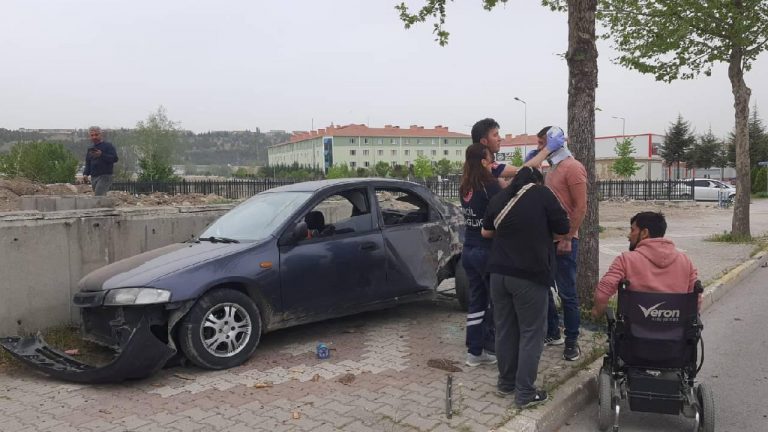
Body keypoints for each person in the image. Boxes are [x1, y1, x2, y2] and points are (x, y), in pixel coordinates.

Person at [481, 166, 570, 408]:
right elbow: (563, 229)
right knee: (532, 332)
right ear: (537, 181)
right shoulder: (543, 194)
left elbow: (486, 231)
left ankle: (506, 383)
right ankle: (525, 393)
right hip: (529, 274)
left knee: (505, 330)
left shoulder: (500, 198)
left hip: (498, 273)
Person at [532, 126, 587, 361]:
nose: (539, 148)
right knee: (544, 289)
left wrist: (568, 236)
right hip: (547, 240)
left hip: (564, 242)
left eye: (542, 143)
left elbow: (581, 207)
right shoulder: (552, 168)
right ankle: (553, 332)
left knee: (567, 294)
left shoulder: (573, 167)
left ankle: (572, 340)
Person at [591, 211, 700, 319]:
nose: (629, 236)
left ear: (644, 233)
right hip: (675, 332)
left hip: (634, 333)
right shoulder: (686, 262)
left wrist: (597, 313)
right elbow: (696, 300)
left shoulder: (625, 260)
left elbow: (602, 293)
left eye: (632, 230)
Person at [459, 143, 502, 367]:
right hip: (487, 251)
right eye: (490, 159)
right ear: (483, 162)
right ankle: (493, 347)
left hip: (469, 250)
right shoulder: (490, 186)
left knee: (477, 300)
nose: (493, 162)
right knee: (496, 302)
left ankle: (474, 352)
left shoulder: (465, 186)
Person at [470, 118, 562, 184]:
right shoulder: (486, 166)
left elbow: (506, 186)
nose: (500, 139)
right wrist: (547, 150)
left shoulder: (473, 164)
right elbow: (520, 170)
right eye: (495, 135)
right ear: (484, 141)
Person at [83, 126, 119, 196]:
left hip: (105, 176)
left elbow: (115, 159)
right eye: (92, 135)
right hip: (94, 176)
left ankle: (98, 206)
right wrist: (85, 174)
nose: (94, 137)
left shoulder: (108, 146)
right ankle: (105, 206)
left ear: (101, 135)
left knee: (99, 194)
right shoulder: (90, 148)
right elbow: (88, 162)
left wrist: (101, 155)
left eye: (96, 135)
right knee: (100, 195)